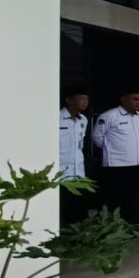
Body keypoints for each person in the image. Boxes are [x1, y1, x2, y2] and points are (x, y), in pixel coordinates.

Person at [92, 88, 139, 224]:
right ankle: (113, 228)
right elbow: (97, 138)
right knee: (114, 199)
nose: (138, 103)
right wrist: (114, 150)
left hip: (136, 164)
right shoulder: (110, 116)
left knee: (132, 198)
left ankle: (131, 226)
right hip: (116, 166)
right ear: (123, 99)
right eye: (135, 99)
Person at [59, 86, 90, 225]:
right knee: (63, 208)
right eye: (82, 98)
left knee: (78, 209)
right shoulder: (57, 117)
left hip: (79, 172)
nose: (85, 102)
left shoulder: (83, 120)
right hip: (61, 172)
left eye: (87, 99)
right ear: (69, 100)